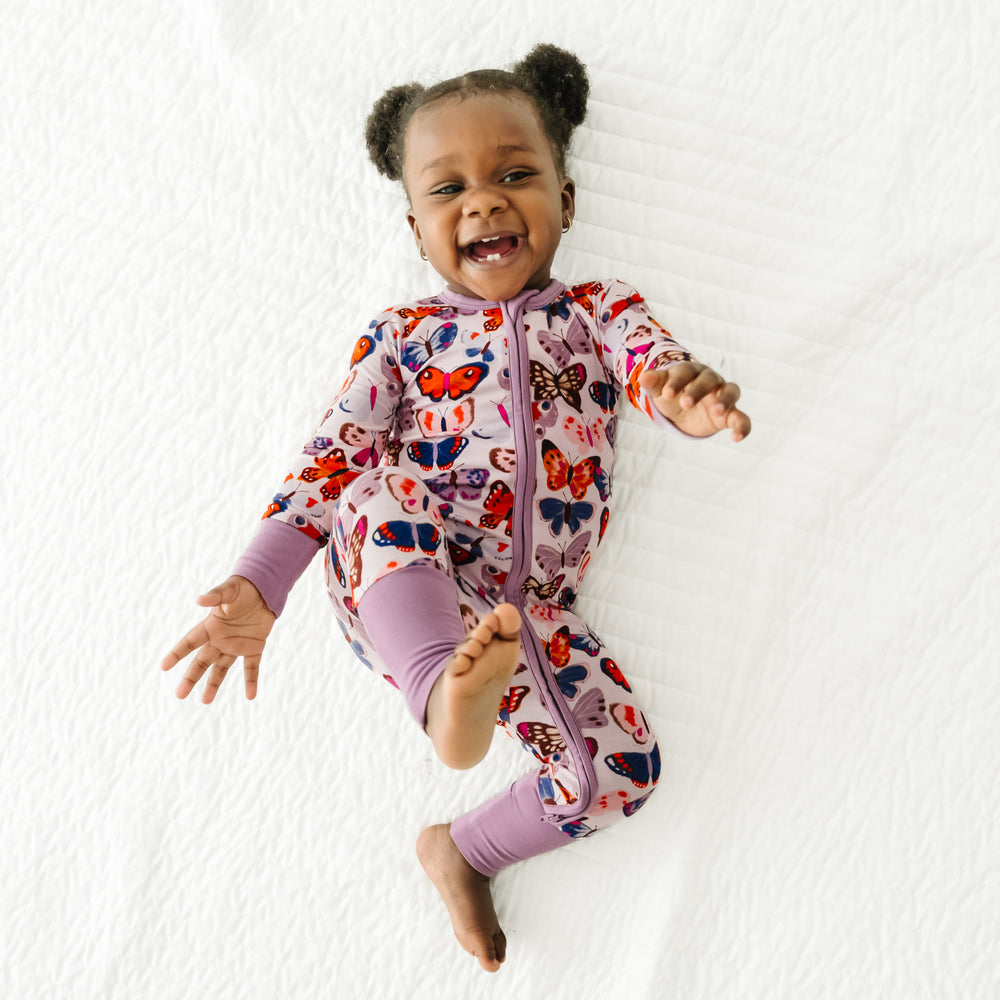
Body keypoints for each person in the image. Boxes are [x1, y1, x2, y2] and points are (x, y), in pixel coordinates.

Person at [160, 43, 751, 973]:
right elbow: (333, 452)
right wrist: (259, 582)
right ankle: (439, 691)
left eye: (517, 174)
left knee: (621, 770)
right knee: (380, 482)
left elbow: (651, 364)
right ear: (415, 227)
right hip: (404, 571)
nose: (483, 200)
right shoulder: (404, 335)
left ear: (568, 199)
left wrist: (682, 394)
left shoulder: (598, 307)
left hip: (523, 619)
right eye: (450, 189)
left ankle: (463, 847)